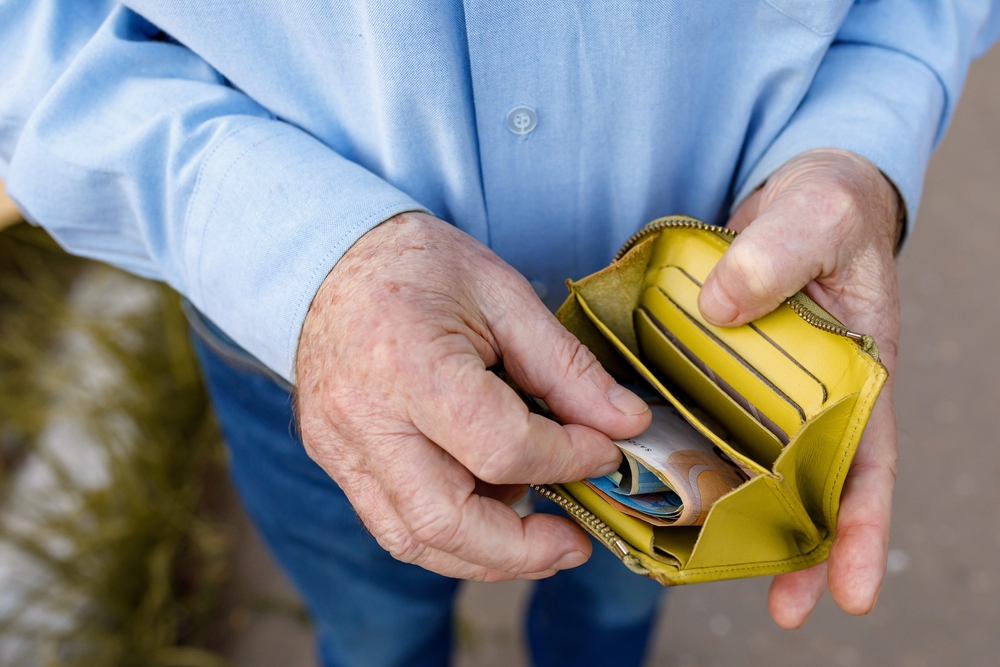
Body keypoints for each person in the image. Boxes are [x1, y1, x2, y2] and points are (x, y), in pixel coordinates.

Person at [2, 1, 999, 665]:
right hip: (301, 353)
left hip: (704, 355)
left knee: (614, 607)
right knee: (373, 626)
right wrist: (294, 252)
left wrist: (857, 144)